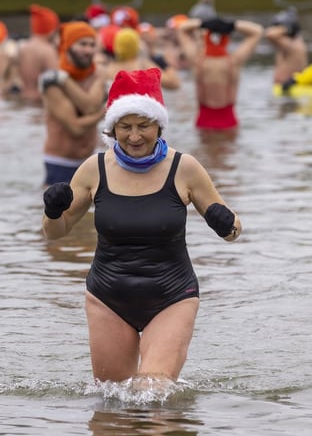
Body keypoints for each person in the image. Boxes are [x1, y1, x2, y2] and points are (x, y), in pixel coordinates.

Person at [41, 67, 242, 384]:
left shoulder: (184, 168)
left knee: (154, 392)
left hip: (172, 296)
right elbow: (55, 233)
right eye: (125, 127)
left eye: (143, 126)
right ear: (113, 128)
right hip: (107, 298)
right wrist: (53, 211)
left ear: (159, 125)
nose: (134, 136)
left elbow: (233, 232)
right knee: (112, 405)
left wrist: (226, 223)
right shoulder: (94, 169)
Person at [38, 21, 107, 185]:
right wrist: (104, 111)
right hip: (61, 162)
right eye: (82, 44)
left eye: (92, 45)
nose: (88, 50)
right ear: (68, 45)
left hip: (89, 160)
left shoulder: (96, 74)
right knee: (60, 211)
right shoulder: (52, 82)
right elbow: (75, 127)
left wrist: (66, 81)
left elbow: (90, 107)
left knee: (91, 211)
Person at [181, 16, 264, 131]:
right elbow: (257, 31)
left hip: (204, 119)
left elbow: (182, 29)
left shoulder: (197, 61)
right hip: (228, 119)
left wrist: (203, 23)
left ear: (205, 38)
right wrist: (232, 24)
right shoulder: (234, 61)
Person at [105, 28, 181, 90]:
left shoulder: (108, 68)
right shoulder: (142, 64)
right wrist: (164, 64)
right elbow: (174, 84)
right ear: (136, 45)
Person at [16, 4, 60, 103]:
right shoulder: (47, 50)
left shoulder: (23, 47)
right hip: (40, 102)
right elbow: (56, 82)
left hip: (23, 98)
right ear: (52, 30)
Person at [264, 7, 308, 85]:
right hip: (284, 88)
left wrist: (286, 28)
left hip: (287, 90)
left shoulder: (291, 44)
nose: (275, 29)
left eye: (277, 27)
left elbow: (269, 34)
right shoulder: (295, 41)